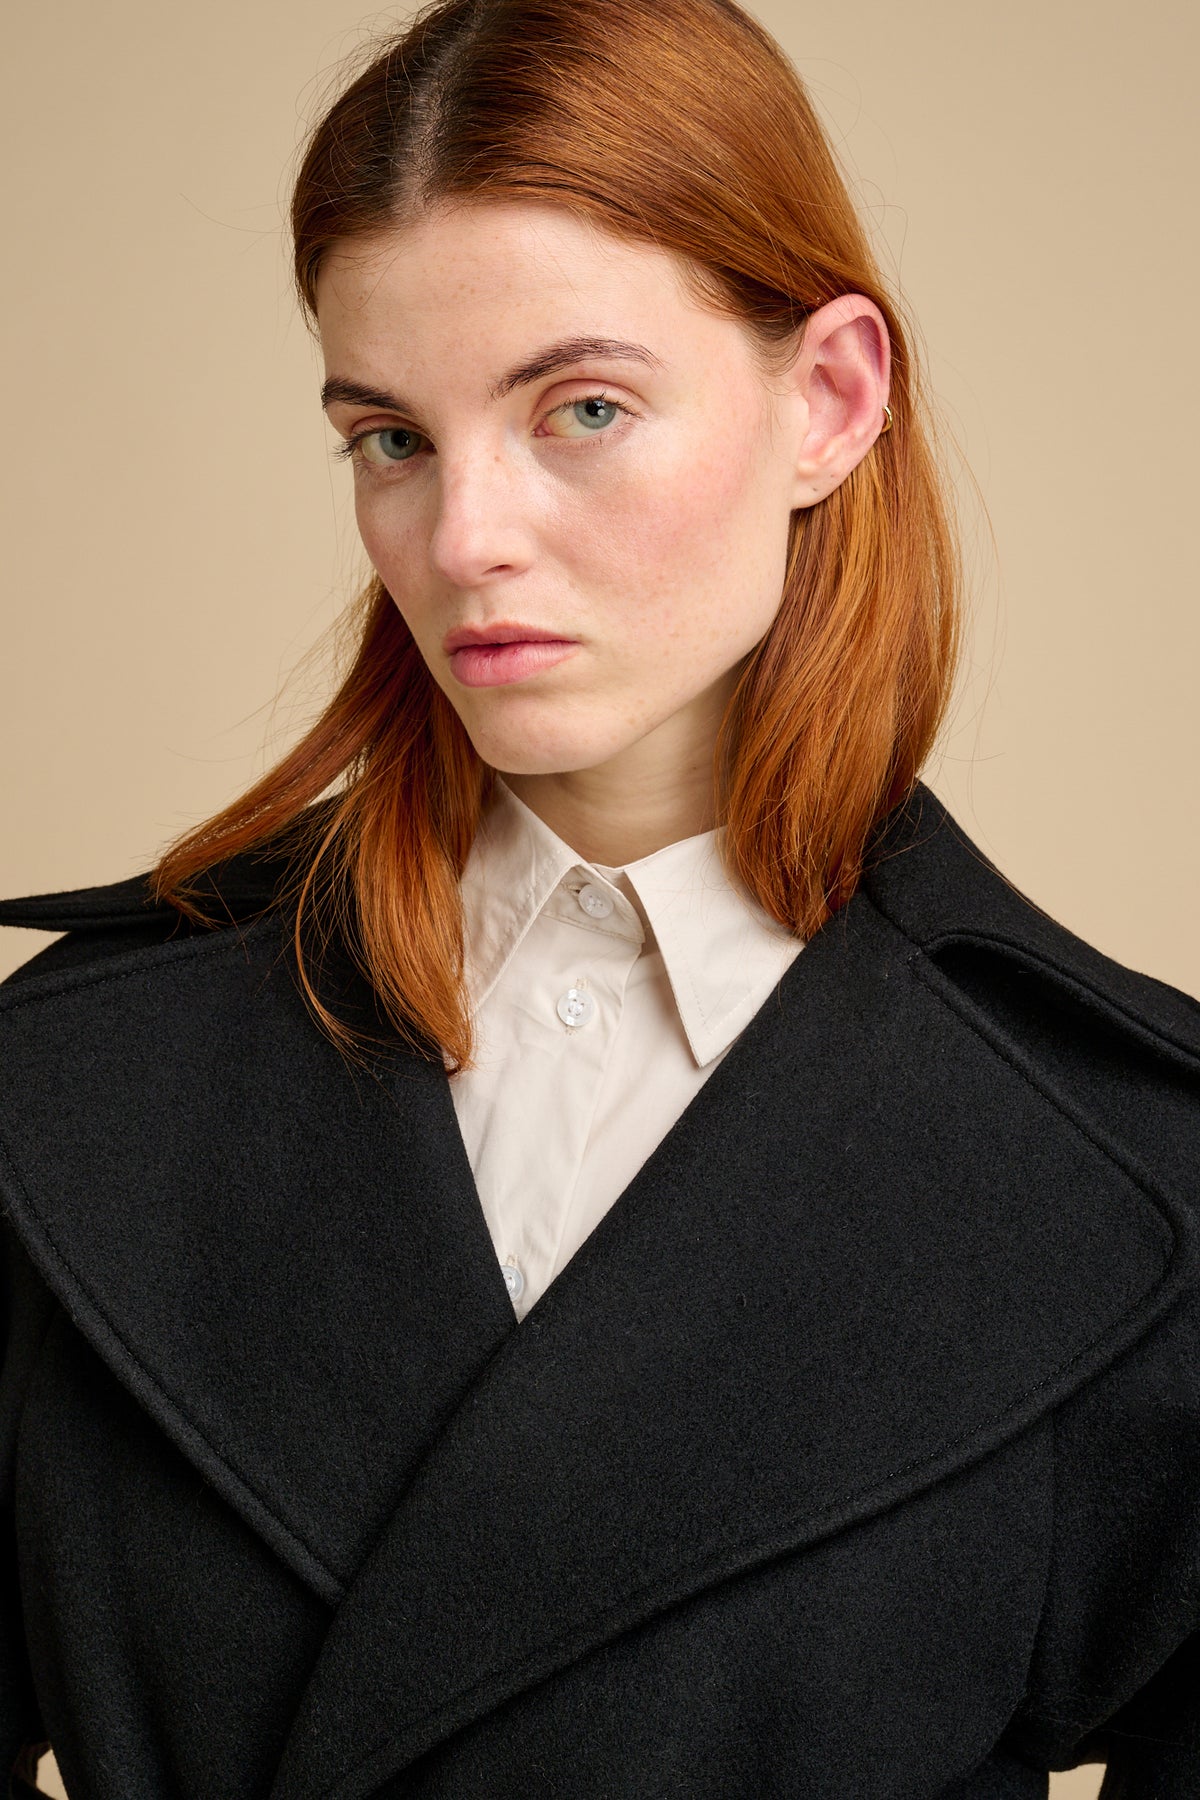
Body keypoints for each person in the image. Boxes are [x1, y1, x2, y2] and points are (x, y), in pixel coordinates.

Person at [1, 0, 1197, 1793]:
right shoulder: (72, 1088)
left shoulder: (1127, 1172)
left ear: (831, 399)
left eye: (581, 408)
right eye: (389, 438)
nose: (464, 533)